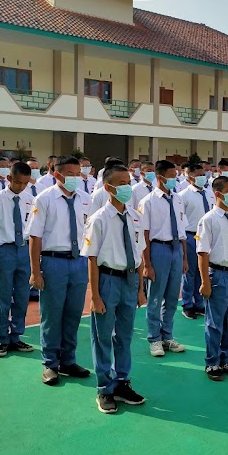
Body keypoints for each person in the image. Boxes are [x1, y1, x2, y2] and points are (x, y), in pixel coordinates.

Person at [84, 165, 147, 413]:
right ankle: (104, 388)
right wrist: (95, 295)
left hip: (129, 280)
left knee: (124, 335)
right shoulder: (98, 219)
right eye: (121, 182)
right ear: (108, 187)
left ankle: (122, 381)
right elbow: (91, 258)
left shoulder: (135, 216)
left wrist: (141, 288)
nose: (127, 187)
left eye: (128, 181)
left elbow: (139, 254)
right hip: (108, 280)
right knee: (102, 336)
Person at [26, 155, 91, 385]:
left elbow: (89, 233)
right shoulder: (44, 199)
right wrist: (35, 271)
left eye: (77, 173)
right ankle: (50, 363)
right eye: (70, 174)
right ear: (57, 174)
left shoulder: (85, 198)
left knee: (74, 313)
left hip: (78, 262)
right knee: (52, 314)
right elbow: (35, 237)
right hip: (54, 261)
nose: (75, 178)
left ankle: (68, 360)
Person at [196, 175, 228, 381]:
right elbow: (203, 253)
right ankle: (212, 362)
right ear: (218, 194)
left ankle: (226, 358)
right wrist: (205, 282)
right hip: (218, 274)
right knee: (214, 322)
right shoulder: (208, 220)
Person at [0, 161, 35, 358]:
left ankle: (16, 336)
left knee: (22, 296)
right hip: (4, 251)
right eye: (18, 182)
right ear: (9, 178)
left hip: (24, 251)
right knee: (3, 296)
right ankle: (2, 338)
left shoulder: (30, 199)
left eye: (25, 183)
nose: (21, 187)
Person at [137, 159, 188, 357]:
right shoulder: (148, 202)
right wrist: (147, 264)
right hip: (158, 249)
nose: (175, 180)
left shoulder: (177, 199)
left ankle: (167, 335)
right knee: (155, 297)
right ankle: (154, 338)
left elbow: (182, 228)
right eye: (172, 176)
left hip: (176, 248)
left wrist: (183, 257)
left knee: (173, 296)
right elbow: (145, 235)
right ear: (160, 177)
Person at [179, 162, 215, 319]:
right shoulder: (183, 196)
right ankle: (187, 304)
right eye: (199, 175)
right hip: (191, 235)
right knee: (190, 272)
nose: (203, 177)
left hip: (207, 236)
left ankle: (199, 303)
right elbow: (181, 220)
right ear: (190, 177)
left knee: (203, 270)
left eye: (204, 174)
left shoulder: (209, 193)